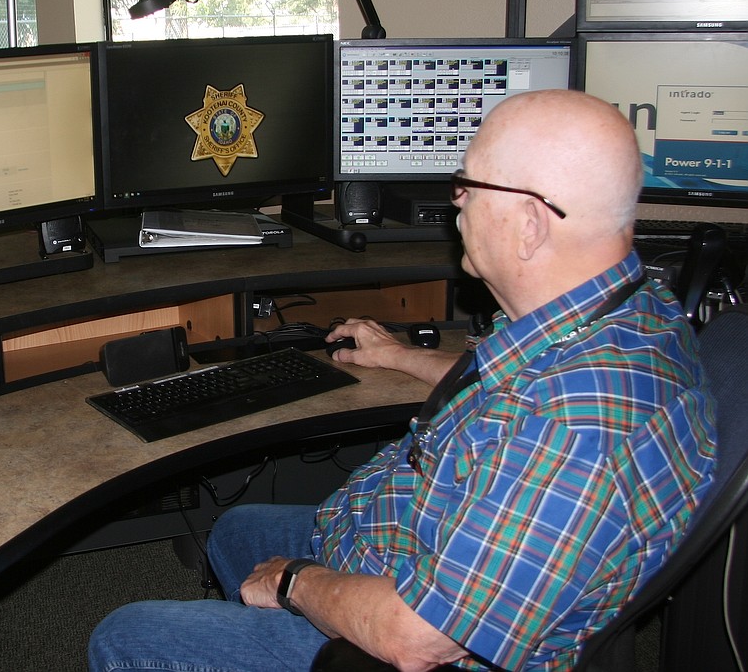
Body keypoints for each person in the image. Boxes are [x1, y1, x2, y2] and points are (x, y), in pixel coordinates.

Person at [87, 89, 717, 672]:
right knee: (236, 529)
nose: (456, 200)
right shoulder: (631, 308)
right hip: (411, 539)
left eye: (468, 184)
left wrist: (295, 584)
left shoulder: (579, 430)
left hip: (408, 634)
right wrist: (399, 356)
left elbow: (419, 636)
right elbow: (514, 390)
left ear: (529, 225)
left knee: (123, 635)